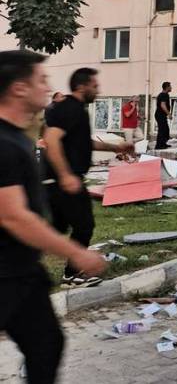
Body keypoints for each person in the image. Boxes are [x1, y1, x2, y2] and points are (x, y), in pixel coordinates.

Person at [0, 51, 108, 384]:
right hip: (5, 274)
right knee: (45, 345)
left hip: (21, 270)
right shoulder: (4, 143)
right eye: (41, 80)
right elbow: (13, 216)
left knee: (46, 344)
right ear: (19, 88)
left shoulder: (17, 135)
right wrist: (77, 253)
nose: (48, 87)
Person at [42, 67, 132, 285]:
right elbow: (51, 140)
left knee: (54, 228)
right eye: (94, 86)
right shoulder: (69, 108)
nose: (98, 90)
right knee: (84, 225)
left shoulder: (78, 110)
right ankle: (71, 273)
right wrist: (65, 175)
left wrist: (116, 147)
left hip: (62, 181)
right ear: (82, 86)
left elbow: (83, 142)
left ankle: (17, 261)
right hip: (64, 180)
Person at [154, 82, 172, 150]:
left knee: (165, 130)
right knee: (162, 130)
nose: (171, 88)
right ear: (167, 87)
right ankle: (159, 146)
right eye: (170, 86)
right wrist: (169, 114)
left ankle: (163, 143)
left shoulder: (164, 94)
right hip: (160, 115)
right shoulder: (164, 95)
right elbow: (163, 105)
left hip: (161, 115)